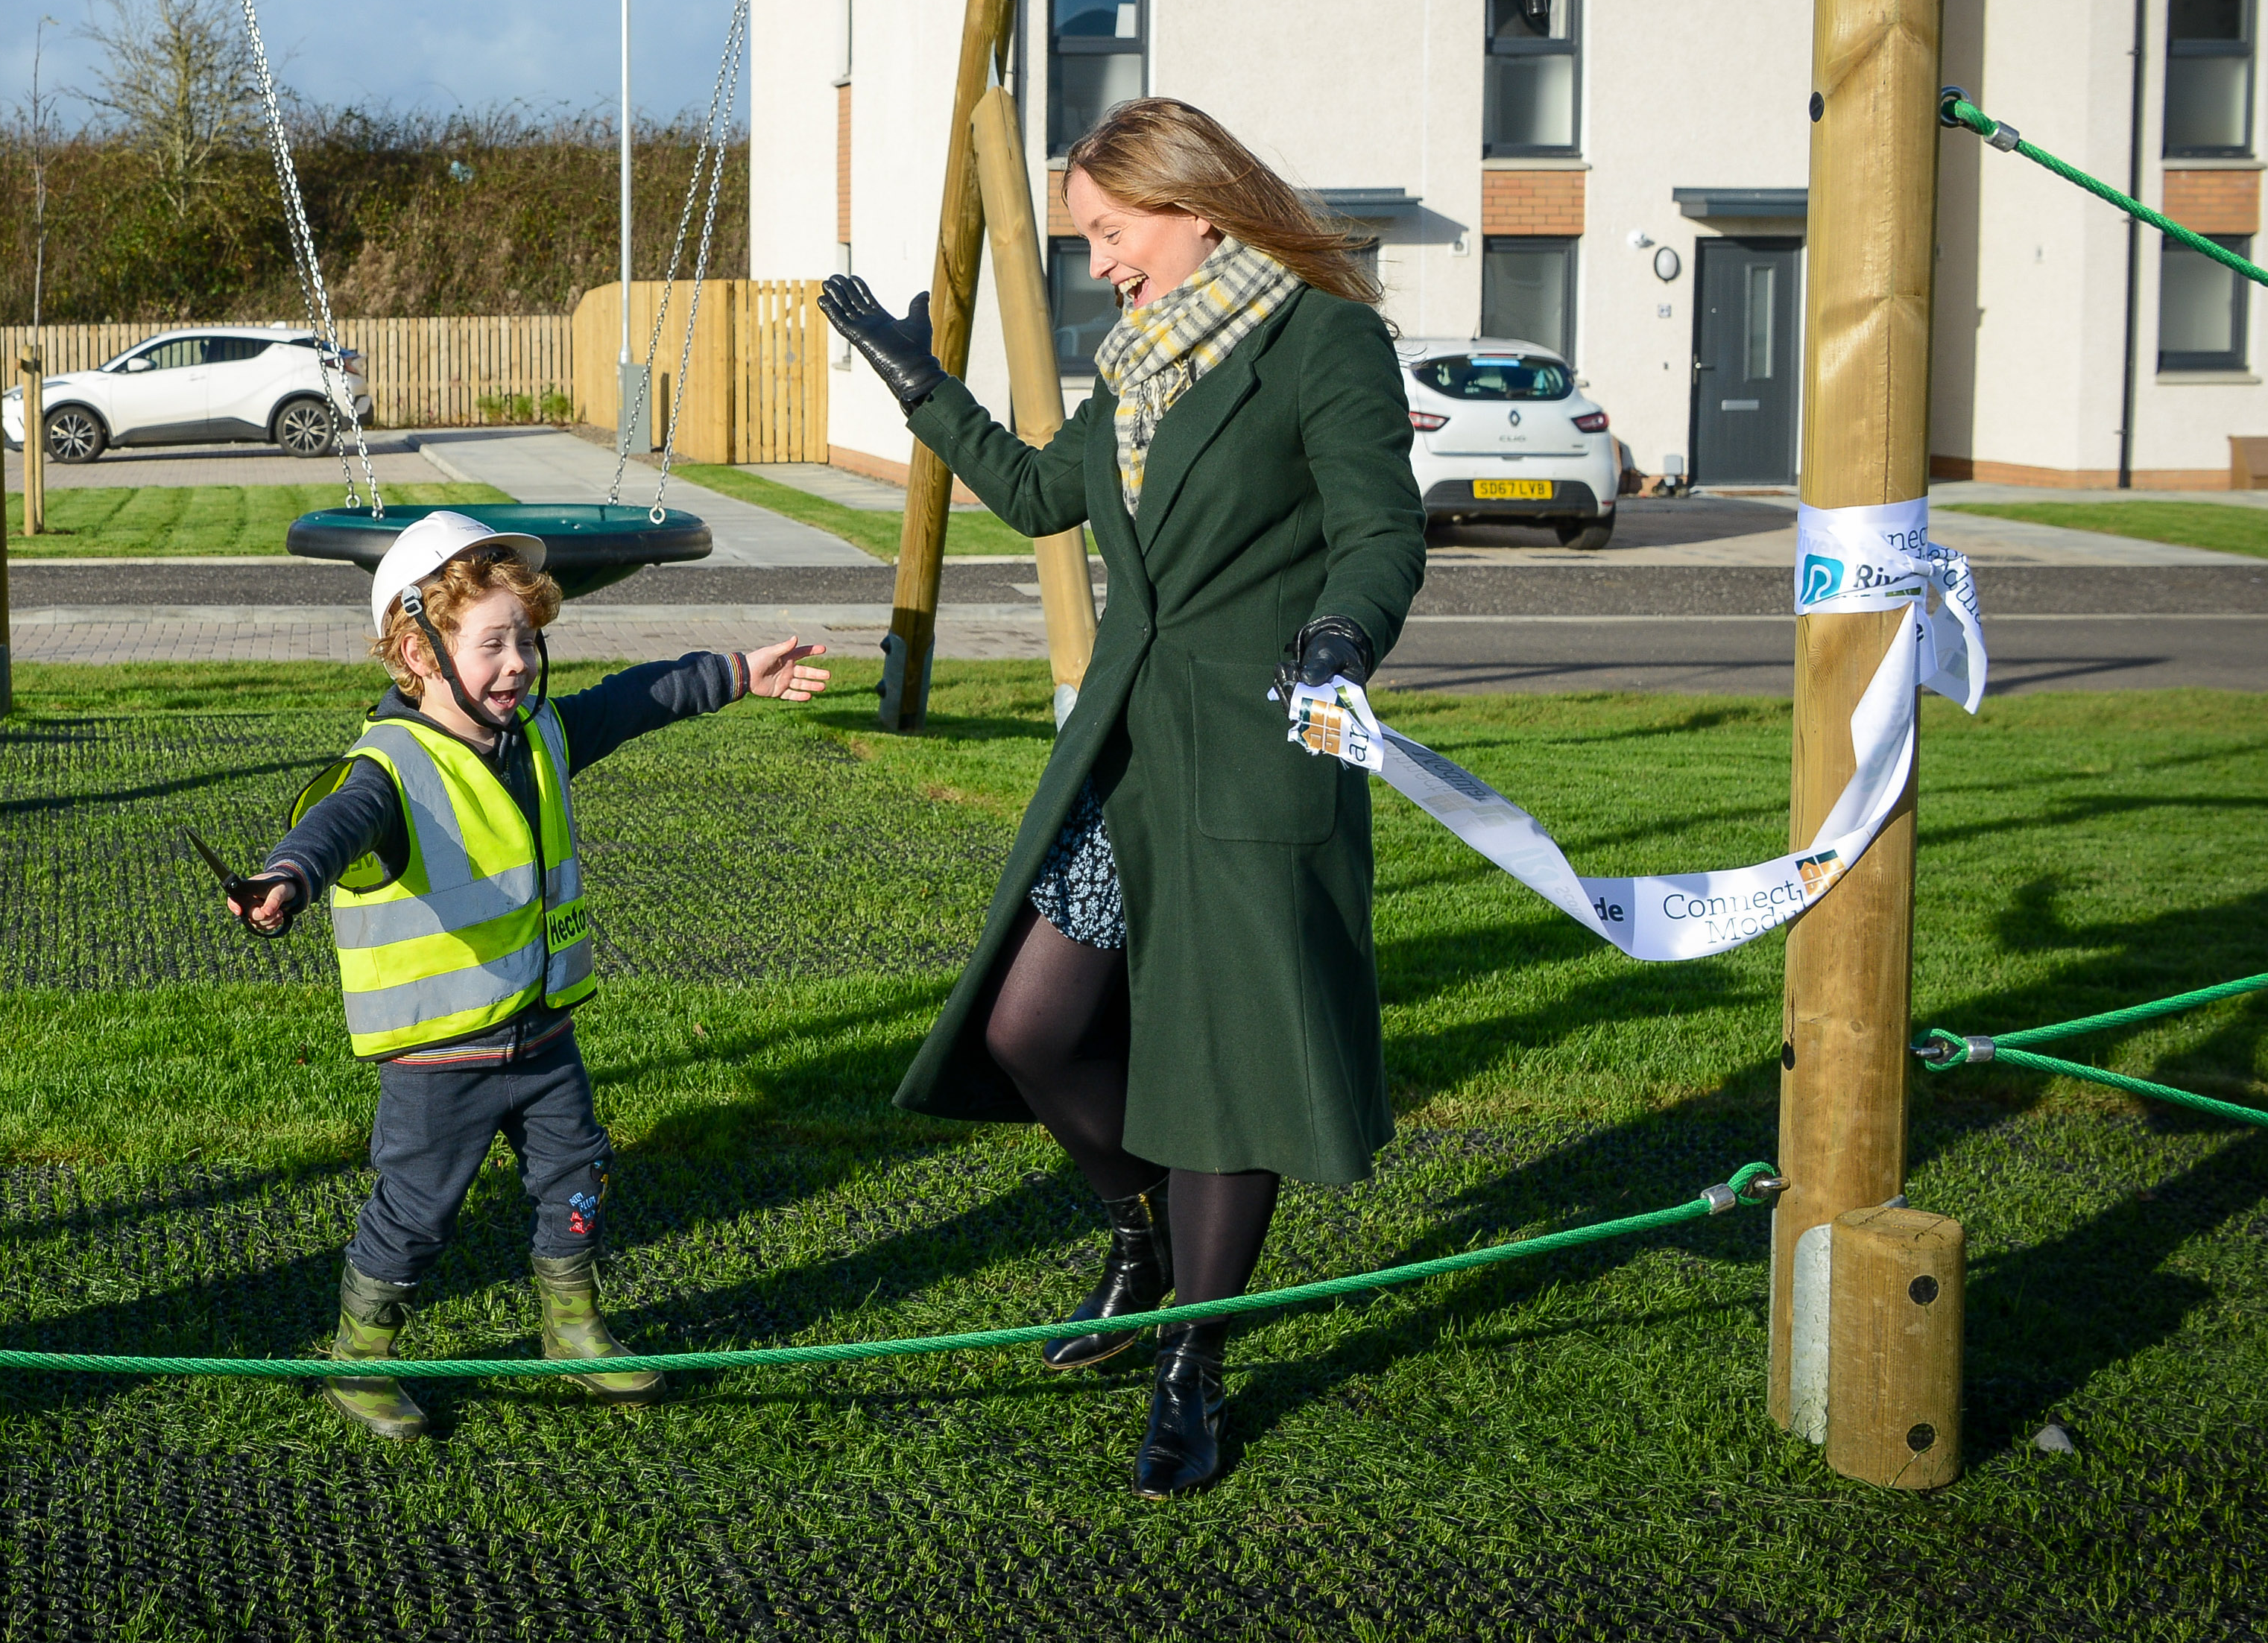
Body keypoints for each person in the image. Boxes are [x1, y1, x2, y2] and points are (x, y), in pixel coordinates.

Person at [818, 96, 1425, 1500]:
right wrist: (923, 383)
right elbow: (1040, 493)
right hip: (1126, 756)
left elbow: (1378, 529)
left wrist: (1344, 634)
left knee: (1229, 1079)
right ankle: (1139, 1231)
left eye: (1108, 231)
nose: (1098, 265)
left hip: (1257, 750)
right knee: (1034, 1028)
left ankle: (1191, 1369)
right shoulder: (1144, 366)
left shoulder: (1320, 339)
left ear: (1194, 204)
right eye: (1083, 240)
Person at [227, 511, 829, 1440]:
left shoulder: (540, 734)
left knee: (577, 1171)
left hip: (544, 1036)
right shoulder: (389, 767)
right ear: (417, 652)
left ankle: (573, 1324)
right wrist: (287, 878)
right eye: (492, 644)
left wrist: (738, 674)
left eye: (527, 641)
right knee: (419, 1210)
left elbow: (637, 700)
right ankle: (361, 1355)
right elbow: (334, 828)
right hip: (440, 1056)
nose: (518, 664)